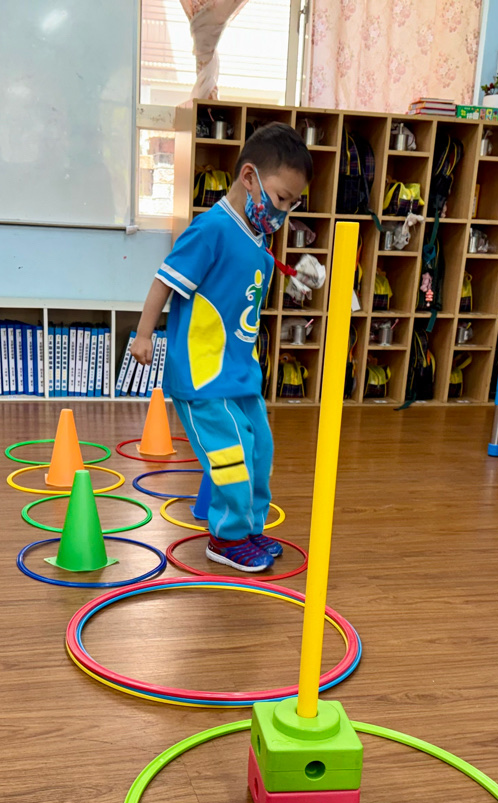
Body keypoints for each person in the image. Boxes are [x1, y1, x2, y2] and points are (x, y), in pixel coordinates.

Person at [132, 123, 317, 572]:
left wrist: (295, 280)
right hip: (203, 376)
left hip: (241, 375)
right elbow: (164, 280)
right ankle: (226, 538)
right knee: (230, 457)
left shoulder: (258, 237)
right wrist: (143, 335)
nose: (284, 212)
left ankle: (249, 528)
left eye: (293, 203)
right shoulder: (211, 228)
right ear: (249, 177)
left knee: (260, 451)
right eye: (281, 198)